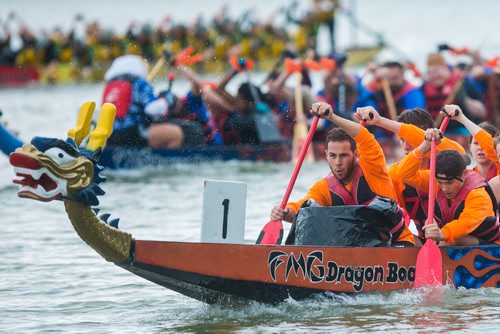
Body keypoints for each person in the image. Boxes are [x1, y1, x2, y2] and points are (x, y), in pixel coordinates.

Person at [270, 102, 415, 246]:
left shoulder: (372, 168)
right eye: (333, 156)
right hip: (356, 251)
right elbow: (300, 210)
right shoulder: (324, 187)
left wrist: (331, 117)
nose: (337, 162)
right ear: (326, 155)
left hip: (396, 243)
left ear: (356, 154)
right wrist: (284, 213)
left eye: (344, 155)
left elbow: (365, 137)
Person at [355, 106, 464, 244]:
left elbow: (460, 152)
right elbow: (391, 217)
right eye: (402, 140)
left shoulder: (451, 159)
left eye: (410, 138)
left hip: (456, 239)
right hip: (421, 243)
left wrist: (380, 121)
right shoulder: (395, 174)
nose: (406, 147)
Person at [397, 112, 499, 245]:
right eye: (441, 182)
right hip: (446, 239)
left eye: (450, 182)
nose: (444, 188)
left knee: (449, 241)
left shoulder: (478, 195)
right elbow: (404, 173)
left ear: (464, 174)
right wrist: (425, 145)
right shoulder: (435, 179)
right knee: (410, 240)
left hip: (490, 247)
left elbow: (464, 224)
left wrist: (442, 233)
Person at [102, 55, 184, 148]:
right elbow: (152, 109)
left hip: (111, 136)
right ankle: (161, 160)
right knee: (176, 133)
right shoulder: (139, 82)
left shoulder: (109, 86)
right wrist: (168, 101)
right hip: (133, 134)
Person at [442, 105, 499, 180]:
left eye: (483, 143)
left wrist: (461, 118)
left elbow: (487, 143)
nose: (480, 147)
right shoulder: (465, 177)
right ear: (470, 147)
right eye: (476, 143)